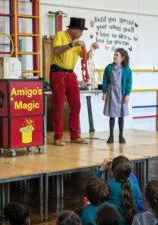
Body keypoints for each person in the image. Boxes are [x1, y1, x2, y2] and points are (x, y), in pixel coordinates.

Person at [50, 17, 98, 146]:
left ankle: (75, 135)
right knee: (59, 105)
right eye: (81, 30)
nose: (82, 33)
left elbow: (85, 57)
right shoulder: (60, 35)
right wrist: (72, 44)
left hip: (70, 75)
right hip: (57, 73)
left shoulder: (77, 41)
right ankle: (58, 137)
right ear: (73, 30)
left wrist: (91, 49)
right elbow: (56, 51)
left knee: (76, 104)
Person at [102, 48, 132, 144]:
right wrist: (104, 93)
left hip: (121, 94)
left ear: (122, 58)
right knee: (112, 115)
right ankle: (111, 136)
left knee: (120, 115)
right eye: (114, 55)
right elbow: (105, 80)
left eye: (117, 55)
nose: (114, 56)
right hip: (111, 93)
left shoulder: (127, 70)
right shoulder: (109, 68)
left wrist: (127, 94)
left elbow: (129, 83)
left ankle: (121, 136)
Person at [95, 158, 138, 225]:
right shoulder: (134, 187)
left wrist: (100, 170)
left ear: (112, 171)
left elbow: (94, 188)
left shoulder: (109, 184)